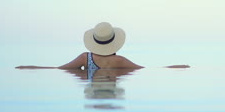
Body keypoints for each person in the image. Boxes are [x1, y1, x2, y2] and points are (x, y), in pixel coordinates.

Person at [15, 22, 189, 76]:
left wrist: (29, 67)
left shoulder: (85, 58)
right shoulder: (118, 61)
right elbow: (147, 70)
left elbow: (59, 69)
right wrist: (177, 66)